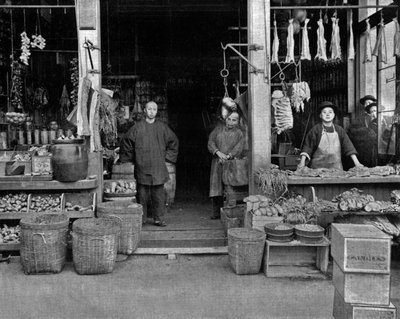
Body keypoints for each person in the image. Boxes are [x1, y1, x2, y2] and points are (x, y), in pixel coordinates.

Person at [119, 101, 179, 227]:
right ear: (145, 111)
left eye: (154, 109)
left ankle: (159, 218)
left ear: (157, 111)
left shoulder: (162, 127)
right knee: (142, 195)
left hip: (158, 165)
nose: (152, 111)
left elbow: (174, 142)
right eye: (149, 109)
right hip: (142, 165)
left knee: (159, 195)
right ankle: (142, 219)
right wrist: (130, 159)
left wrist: (167, 159)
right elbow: (126, 142)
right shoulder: (137, 127)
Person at [298, 101, 363, 170]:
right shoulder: (315, 130)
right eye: (324, 112)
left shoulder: (340, 130)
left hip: (336, 169)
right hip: (317, 170)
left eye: (330, 112)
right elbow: (307, 147)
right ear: (320, 115)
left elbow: (349, 147)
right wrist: (302, 163)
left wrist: (357, 163)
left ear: (334, 115)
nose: (327, 114)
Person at [208, 110, 245, 219]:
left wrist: (228, 156)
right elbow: (211, 142)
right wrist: (218, 153)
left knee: (229, 187)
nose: (231, 122)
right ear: (225, 119)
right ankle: (216, 213)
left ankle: (229, 213)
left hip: (231, 163)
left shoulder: (239, 133)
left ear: (238, 121)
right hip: (217, 162)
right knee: (216, 188)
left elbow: (239, 147)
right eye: (229, 119)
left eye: (234, 120)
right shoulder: (218, 129)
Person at [347, 96, 378, 167]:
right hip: (364, 148)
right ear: (364, 105)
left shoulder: (379, 116)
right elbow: (352, 131)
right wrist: (367, 131)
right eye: (367, 103)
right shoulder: (360, 118)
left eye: (371, 103)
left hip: (376, 149)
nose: (368, 104)